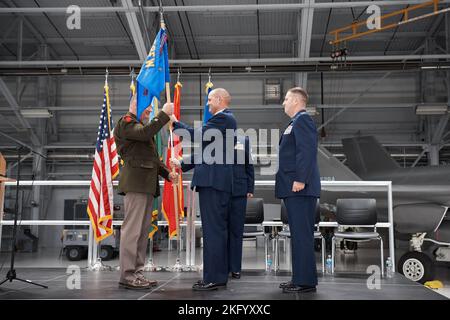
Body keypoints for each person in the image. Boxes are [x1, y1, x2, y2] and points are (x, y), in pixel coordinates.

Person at [170, 88, 237, 291]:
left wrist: (175, 124)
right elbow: (208, 153)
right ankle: (214, 276)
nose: (207, 104)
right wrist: (182, 163)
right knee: (213, 231)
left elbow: (198, 136)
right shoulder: (222, 122)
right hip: (214, 181)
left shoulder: (224, 119)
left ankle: (214, 278)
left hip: (214, 183)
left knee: (214, 232)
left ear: (219, 99)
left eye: (209, 100)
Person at [114, 95, 177, 290]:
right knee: (132, 231)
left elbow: (153, 159)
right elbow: (143, 133)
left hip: (146, 185)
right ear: (134, 105)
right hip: (136, 184)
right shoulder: (126, 123)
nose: (150, 111)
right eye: (147, 108)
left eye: (151, 109)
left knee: (141, 233)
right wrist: (164, 115)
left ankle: (137, 272)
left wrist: (167, 174)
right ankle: (127, 275)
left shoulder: (141, 127)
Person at [275, 87, 321, 293]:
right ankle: (300, 278)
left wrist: (300, 179)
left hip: (300, 188)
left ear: (295, 101)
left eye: (286, 99)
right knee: (298, 234)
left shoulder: (303, 121)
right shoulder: (294, 123)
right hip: (293, 188)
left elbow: (307, 151)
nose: (283, 103)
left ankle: (305, 282)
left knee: (302, 235)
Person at [228, 135, 254, 279]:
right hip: (221, 190)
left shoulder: (244, 140)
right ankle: (221, 266)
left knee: (236, 230)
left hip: (239, 191)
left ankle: (235, 267)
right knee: (221, 231)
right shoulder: (216, 138)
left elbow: (249, 166)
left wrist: (250, 188)